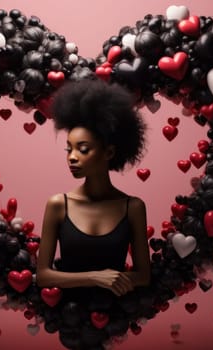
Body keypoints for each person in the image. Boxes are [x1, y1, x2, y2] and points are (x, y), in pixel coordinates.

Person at [36, 78, 151, 299]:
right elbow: (43, 276)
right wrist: (95, 277)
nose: (72, 158)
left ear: (108, 152)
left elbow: (143, 275)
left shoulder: (132, 207)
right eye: (68, 149)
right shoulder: (59, 205)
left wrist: (116, 280)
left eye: (83, 149)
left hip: (116, 316)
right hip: (67, 316)